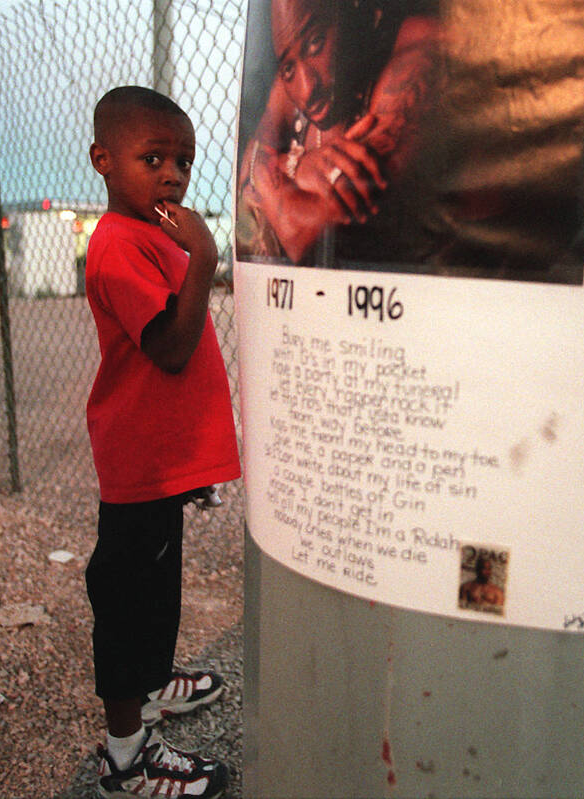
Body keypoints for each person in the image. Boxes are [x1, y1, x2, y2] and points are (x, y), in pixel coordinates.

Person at [83, 85, 241, 799]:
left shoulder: (153, 237)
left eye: (182, 160)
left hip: (162, 462)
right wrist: (204, 256)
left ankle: (156, 678)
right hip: (138, 464)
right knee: (128, 604)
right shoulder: (119, 244)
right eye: (153, 158)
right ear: (104, 160)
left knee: (157, 592)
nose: (172, 173)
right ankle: (128, 757)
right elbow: (172, 350)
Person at [236, 0, 443, 265]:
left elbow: (304, 232)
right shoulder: (290, 73)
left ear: (351, 11)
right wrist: (295, 166)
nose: (307, 88)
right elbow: (248, 166)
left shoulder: (414, 46)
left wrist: (270, 181)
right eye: (288, 69)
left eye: (316, 42)